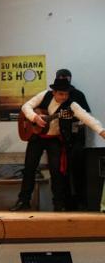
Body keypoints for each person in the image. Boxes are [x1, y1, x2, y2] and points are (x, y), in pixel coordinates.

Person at [10, 77, 105, 211]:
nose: (64, 97)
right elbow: (26, 106)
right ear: (54, 92)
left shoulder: (72, 105)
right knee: (29, 169)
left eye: (66, 94)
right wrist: (35, 118)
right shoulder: (44, 95)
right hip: (37, 137)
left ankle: (59, 204)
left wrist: (101, 131)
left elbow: (87, 118)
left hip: (54, 139)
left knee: (57, 172)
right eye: (61, 93)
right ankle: (23, 201)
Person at [55, 69, 90, 210]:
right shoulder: (54, 96)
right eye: (61, 78)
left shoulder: (78, 95)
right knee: (61, 172)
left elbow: (86, 114)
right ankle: (65, 202)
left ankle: (81, 202)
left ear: (70, 79)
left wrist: (78, 123)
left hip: (76, 137)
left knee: (78, 170)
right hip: (59, 137)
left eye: (66, 78)